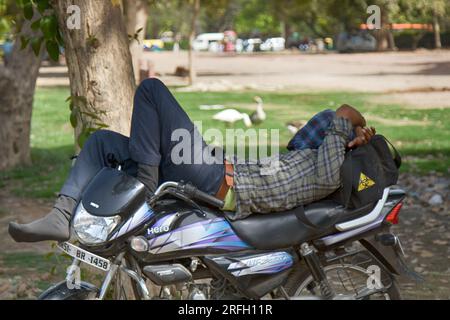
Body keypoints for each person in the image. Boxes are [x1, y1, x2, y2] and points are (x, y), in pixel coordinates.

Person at [8, 78, 375, 243]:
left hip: (217, 183)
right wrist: (354, 135)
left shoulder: (330, 175)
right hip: (213, 168)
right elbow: (329, 117)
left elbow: (344, 112)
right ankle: (61, 215)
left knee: (151, 90)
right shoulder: (314, 155)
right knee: (103, 140)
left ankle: (147, 187)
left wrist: (355, 128)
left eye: (351, 144)